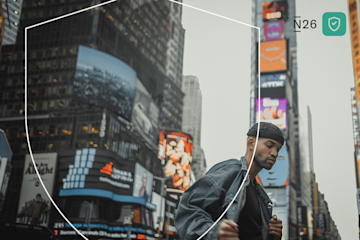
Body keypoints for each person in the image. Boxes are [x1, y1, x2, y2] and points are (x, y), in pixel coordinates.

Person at [174, 122, 284, 240]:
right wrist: (214, 232)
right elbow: (188, 209)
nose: (274, 153)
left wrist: (273, 234)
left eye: (278, 149)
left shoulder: (261, 195)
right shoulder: (231, 172)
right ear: (251, 143)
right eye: (269, 145)